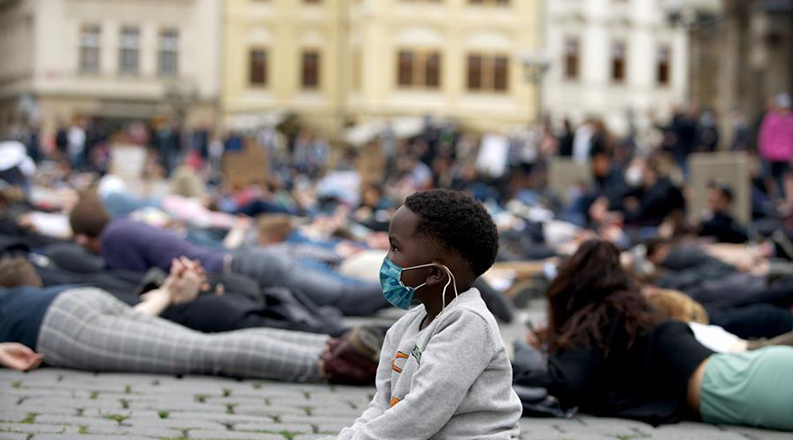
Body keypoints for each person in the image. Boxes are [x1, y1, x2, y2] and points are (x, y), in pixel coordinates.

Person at [517, 240, 793, 431]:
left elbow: (568, 381)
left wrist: (508, 365)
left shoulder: (600, 321)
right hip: (748, 374)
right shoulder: (628, 315)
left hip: (739, 384)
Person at [0, 255, 378, 384]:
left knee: (203, 351)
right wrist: (165, 293)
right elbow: (134, 315)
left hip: (58, 328)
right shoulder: (25, 293)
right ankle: (333, 347)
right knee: (198, 345)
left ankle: (335, 363)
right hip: (77, 302)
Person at [327, 189, 521, 440]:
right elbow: (382, 407)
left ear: (434, 274)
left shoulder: (468, 323)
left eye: (395, 248)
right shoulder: (405, 326)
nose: (387, 259)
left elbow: (420, 413)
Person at [68, 195, 388, 316]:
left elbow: (134, 284)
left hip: (251, 268)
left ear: (84, 237)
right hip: (254, 261)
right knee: (346, 290)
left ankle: (419, 288)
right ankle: (417, 287)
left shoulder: (113, 239)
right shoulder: (124, 226)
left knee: (346, 298)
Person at [758, 93, 793, 199]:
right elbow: (766, 137)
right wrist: (767, 153)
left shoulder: (790, 120)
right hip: (773, 155)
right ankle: (775, 197)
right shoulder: (771, 119)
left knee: (784, 177)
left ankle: (783, 197)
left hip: (785, 155)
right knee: (772, 178)